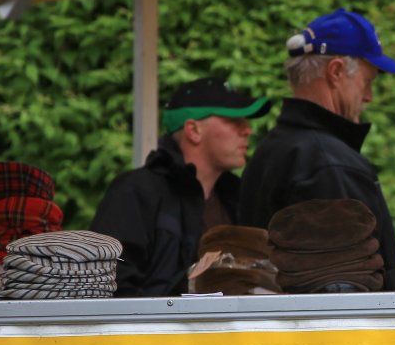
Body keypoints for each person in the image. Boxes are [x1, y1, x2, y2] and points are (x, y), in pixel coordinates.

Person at [238, 9, 395, 291]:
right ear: (336, 71)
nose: (369, 96)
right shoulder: (329, 165)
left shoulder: (271, 149)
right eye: (367, 82)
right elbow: (346, 290)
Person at [91, 78, 270, 296]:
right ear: (193, 130)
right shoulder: (135, 192)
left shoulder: (238, 197)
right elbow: (109, 284)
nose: (248, 130)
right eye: (233, 121)